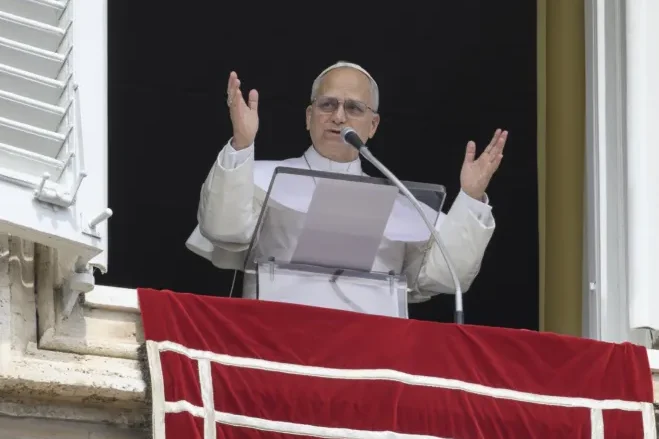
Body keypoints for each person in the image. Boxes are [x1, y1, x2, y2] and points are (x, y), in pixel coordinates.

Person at [186, 61, 506, 303]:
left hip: (372, 354)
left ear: (373, 125)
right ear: (309, 117)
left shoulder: (403, 204)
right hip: (276, 342)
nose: (339, 117)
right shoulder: (257, 177)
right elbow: (223, 230)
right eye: (328, 104)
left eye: (353, 108)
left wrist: (470, 198)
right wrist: (241, 145)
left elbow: (444, 277)